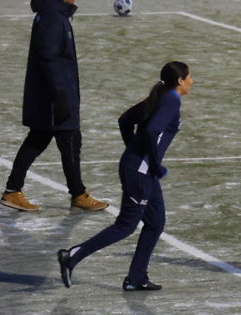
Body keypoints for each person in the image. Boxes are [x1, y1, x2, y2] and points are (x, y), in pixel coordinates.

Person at [56, 62, 193, 290]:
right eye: (189, 77)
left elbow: (125, 121)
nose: (192, 81)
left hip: (142, 169)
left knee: (155, 222)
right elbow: (151, 131)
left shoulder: (161, 97)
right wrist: (152, 162)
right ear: (180, 81)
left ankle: (136, 279)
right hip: (141, 172)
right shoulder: (171, 100)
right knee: (126, 225)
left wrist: (135, 152)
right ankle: (72, 256)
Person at [2, 0, 107, 213]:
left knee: (38, 139)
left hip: (50, 94)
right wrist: (60, 96)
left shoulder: (52, 13)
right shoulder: (53, 18)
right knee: (70, 141)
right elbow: (49, 59)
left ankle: (12, 191)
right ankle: (78, 194)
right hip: (54, 96)